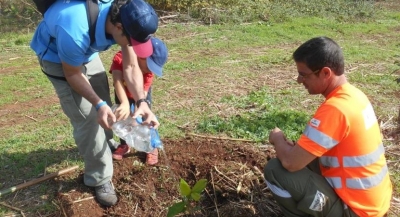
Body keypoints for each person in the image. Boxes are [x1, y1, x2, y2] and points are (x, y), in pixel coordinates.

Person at [30, 0, 160, 207]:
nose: (132, 46)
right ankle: (98, 178)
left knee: (104, 100)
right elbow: (72, 73)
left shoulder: (125, 16)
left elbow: (131, 65)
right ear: (118, 27)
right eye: (132, 41)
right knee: (88, 119)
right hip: (59, 57)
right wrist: (98, 105)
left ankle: (106, 142)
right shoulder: (74, 28)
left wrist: (142, 101)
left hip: (86, 51)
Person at [263, 37, 392, 217]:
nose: (299, 80)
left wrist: (277, 139)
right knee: (305, 157)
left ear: (325, 73)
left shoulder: (335, 109)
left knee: (276, 170)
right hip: (374, 204)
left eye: (304, 74)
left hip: (357, 211)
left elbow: (291, 164)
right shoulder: (355, 96)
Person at [109, 36, 168, 164]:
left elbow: (144, 92)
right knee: (123, 117)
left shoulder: (149, 72)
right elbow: (117, 81)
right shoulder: (121, 58)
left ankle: (151, 147)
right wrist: (124, 103)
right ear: (142, 56)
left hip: (141, 95)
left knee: (146, 120)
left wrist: (139, 108)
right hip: (122, 93)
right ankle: (125, 144)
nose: (150, 70)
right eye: (149, 66)